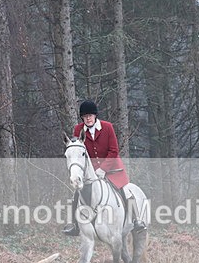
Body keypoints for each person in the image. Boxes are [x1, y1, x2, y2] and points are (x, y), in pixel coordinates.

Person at [62, 100, 146, 236]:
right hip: (90, 172)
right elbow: (78, 151)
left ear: (95, 116)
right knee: (76, 193)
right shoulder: (78, 130)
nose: (88, 118)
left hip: (112, 168)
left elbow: (114, 151)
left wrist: (103, 169)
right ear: (82, 118)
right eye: (85, 116)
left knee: (125, 190)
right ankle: (74, 225)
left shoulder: (107, 127)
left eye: (90, 115)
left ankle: (137, 220)